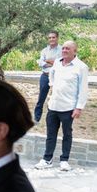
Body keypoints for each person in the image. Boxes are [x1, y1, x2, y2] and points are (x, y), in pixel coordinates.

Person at [35, 41, 89, 171]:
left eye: (68, 49)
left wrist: (79, 107)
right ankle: (47, 159)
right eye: (63, 48)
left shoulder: (81, 67)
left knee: (67, 134)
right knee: (50, 134)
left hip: (68, 107)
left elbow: (83, 89)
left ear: (75, 51)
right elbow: (51, 75)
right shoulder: (57, 63)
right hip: (53, 105)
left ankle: (64, 160)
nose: (64, 50)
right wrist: (52, 85)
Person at [34, 31, 62, 122]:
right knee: (41, 97)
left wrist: (48, 61)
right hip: (45, 76)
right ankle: (37, 117)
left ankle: (53, 117)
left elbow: (61, 64)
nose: (51, 39)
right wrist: (51, 62)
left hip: (58, 77)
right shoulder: (44, 51)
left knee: (55, 97)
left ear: (57, 38)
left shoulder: (62, 50)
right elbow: (41, 63)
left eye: (53, 37)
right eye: (49, 38)